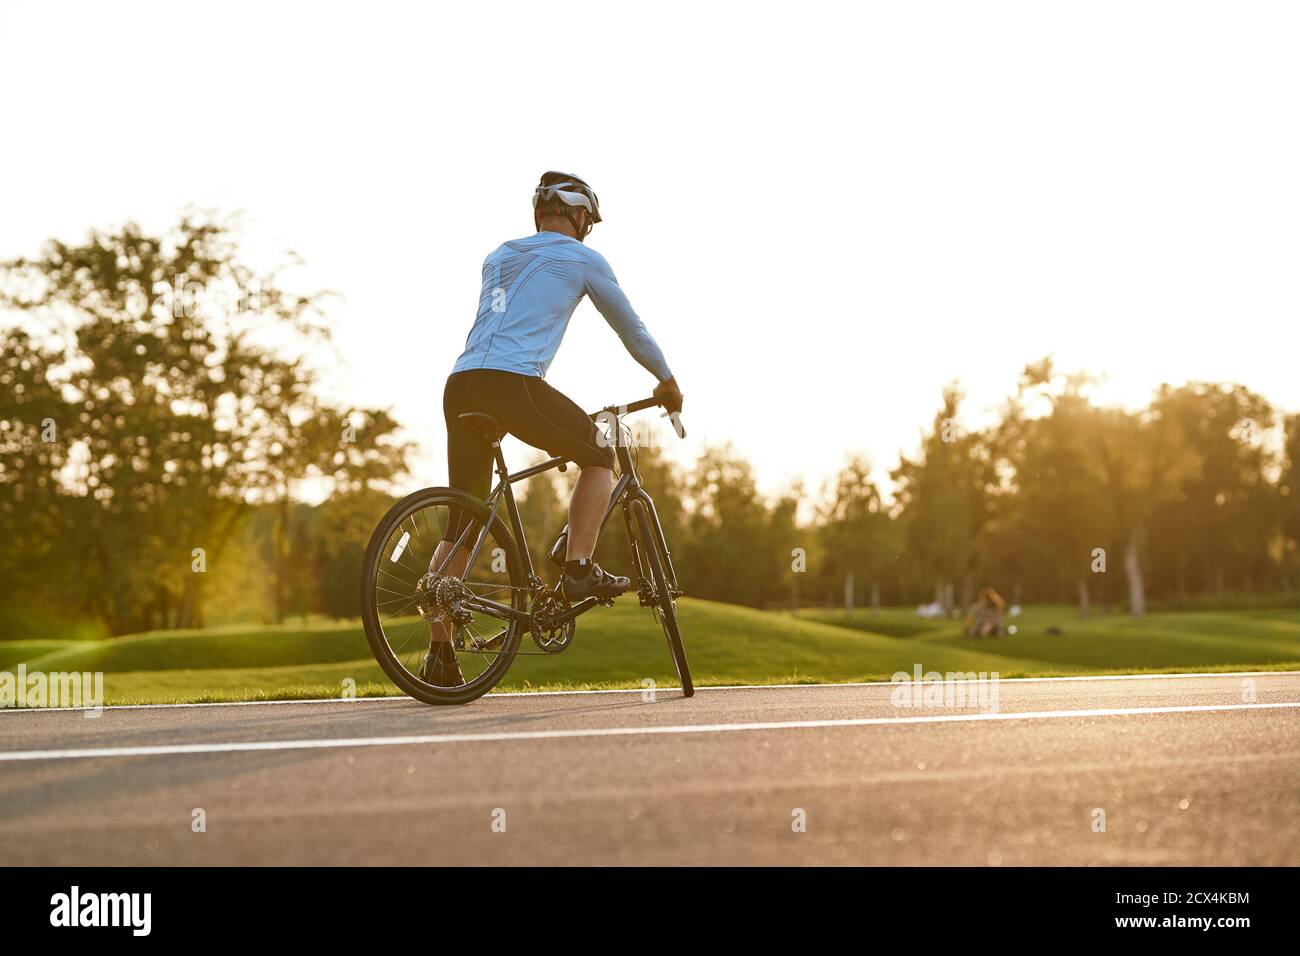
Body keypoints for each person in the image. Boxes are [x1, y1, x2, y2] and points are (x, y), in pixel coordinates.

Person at [421, 172, 683, 685]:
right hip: (512, 384)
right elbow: (631, 328)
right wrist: (666, 379)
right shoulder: (584, 259)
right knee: (597, 452)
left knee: (464, 519)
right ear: (580, 216)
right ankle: (579, 567)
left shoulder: (499, 254)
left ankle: (439, 652)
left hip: (461, 384)